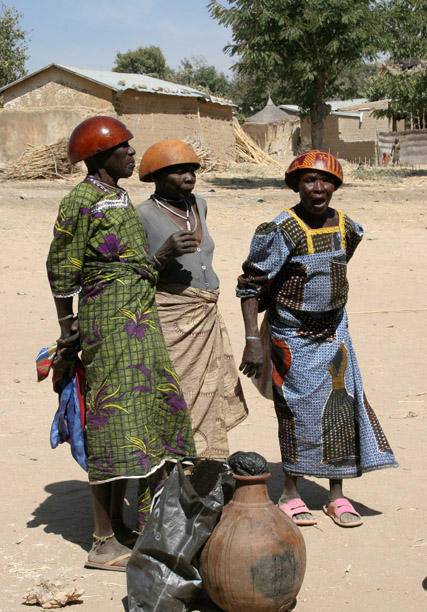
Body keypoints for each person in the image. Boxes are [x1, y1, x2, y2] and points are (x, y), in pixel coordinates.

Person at [46, 117, 196, 570]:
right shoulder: (81, 200)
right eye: (126, 149)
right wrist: (66, 324)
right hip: (108, 324)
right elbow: (60, 267)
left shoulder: (119, 196)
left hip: (139, 320)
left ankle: (123, 520)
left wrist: (164, 255)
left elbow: (133, 266)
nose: (134, 154)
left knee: (150, 413)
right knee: (112, 421)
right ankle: (102, 540)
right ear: (100, 155)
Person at [237, 150, 398, 528]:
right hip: (292, 336)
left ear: (336, 186)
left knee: (340, 408)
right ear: (296, 186)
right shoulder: (280, 229)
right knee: (294, 411)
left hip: (335, 333)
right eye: (309, 180)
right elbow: (250, 287)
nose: (319, 188)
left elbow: (337, 266)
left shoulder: (346, 225)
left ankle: (336, 496)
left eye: (326, 181)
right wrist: (253, 341)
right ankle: (290, 491)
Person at [136, 140, 247, 460]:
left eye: (192, 171)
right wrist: (163, 254)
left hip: (206, 314)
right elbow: (131, 274)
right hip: (173, 320)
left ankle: (206, 467)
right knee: (180, 394)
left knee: (208, 396)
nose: (188, 177)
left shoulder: (199, 204)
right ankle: (176, 468)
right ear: (156, 176)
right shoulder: (141, 215)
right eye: (178, 171)